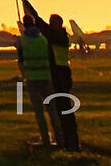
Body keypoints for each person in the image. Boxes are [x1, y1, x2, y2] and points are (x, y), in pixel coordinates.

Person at [17, 13, 55, 149]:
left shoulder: (22, 41)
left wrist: (24, 76)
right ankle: (59, 138)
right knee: (52, 110)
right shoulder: (43, 39)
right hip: (46, 77)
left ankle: (45, 140)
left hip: (32, 79)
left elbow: (20, 62)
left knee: (39, 113)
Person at [43, 9, 78, 150]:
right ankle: (71, 140)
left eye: (52, 23)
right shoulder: (62, 36)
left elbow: (41, 25)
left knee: (62, 111)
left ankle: (68, 142)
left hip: (59, 76)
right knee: (65, 110)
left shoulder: (57, 37)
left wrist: (27, 5)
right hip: (64, 75)